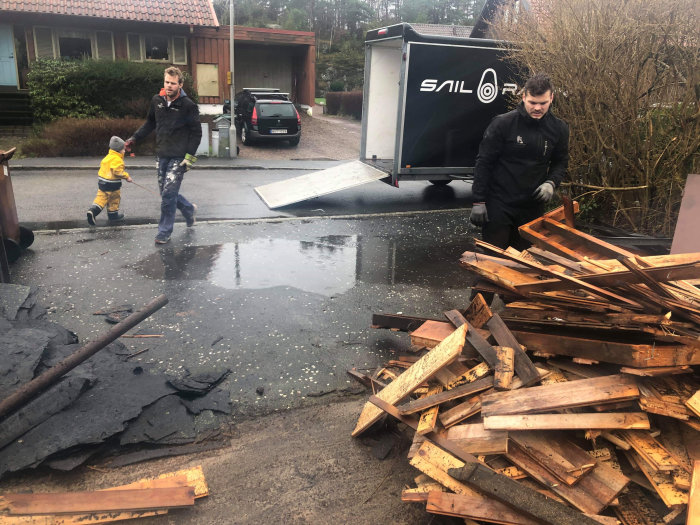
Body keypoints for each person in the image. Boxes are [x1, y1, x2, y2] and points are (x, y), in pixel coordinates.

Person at [469, 73, 569, 250]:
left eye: (543, 103)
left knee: (524, 260)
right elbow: (484, 162)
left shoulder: (559, 129)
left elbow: (560, 162)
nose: (537, 107)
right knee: (494, 259)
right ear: (523, 96)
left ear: (551, 98)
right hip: (499, 204)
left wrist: (552, 182)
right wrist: (478, 201)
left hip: (532, 207)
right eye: (532, 102)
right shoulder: (502, 124)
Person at [126, 66, 201, 245]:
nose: (169, 86)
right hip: (162, 153)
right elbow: (150, 123)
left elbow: (196, 133)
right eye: (167, 82)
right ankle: (189, 209)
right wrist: (134, 138)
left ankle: (164, 231)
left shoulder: (188, 106)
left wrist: (189, 157)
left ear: (180, 85)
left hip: (179, 157)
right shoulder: (157, 101)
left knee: (168, 194)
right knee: (166, 192)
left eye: (173, 83)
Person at [86, 136, 133, 226]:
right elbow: (117, 171)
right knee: (114, 199)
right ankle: (113, 216)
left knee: (101, 198)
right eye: (123, 149)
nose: (124, 151)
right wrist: (127, 177)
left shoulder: (107, 157)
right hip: (112, 184)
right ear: (118, 150)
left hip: (102, 182)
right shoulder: (117, 159)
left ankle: (92, 211)